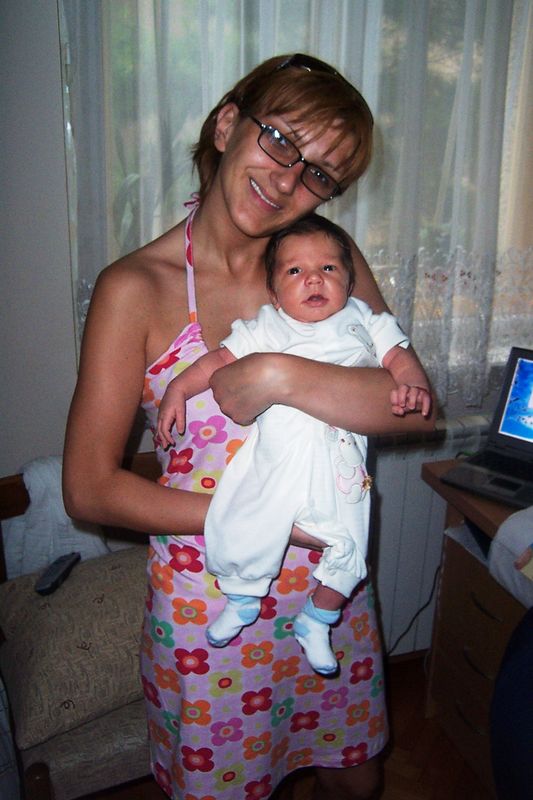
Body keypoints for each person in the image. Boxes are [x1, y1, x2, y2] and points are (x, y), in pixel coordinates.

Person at [63, 53, 435, 800]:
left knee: (354, 774)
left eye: (320, 174)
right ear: (227, 124)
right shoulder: (134, 288)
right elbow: (90, 489)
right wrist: (258, 519)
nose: (289, 180)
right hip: (210, 604)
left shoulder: (320, 263)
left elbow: (411, 409)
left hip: (328, 591)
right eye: (280, 140)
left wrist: (276, 375)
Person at [157, 213, 431, 676]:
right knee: (244, 517)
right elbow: (216, 361)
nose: (314, 279)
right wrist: (178, 388)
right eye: (295, 270)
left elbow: (399, 358)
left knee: (351, 545)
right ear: (274, 292)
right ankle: (242, 597)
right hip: (276, 458)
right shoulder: (268, 326)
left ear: (349, 282)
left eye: (328, 268)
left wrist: (413, 385)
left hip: (340, 461)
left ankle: (318, 618)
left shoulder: (364, 320)